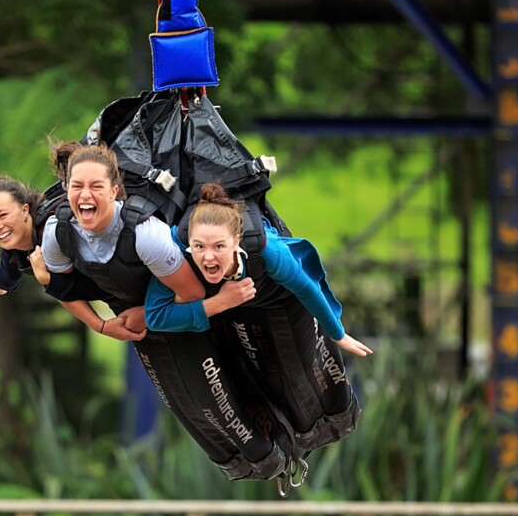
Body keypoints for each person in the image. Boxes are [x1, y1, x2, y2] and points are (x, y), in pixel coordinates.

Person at [39, 143, 294, 482]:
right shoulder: (58, 232)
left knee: (213, 394)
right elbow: (63, 289)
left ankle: (279, 455)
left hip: (178, 306)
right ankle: (254, 466)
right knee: (185, 405)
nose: (85, 195)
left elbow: (191, 292)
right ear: (66, 190)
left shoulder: (146, 235)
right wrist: (101, 325)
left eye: (96, 186)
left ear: (115, 191)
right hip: (134, 323)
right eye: (77, 186)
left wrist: (146, 313)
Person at [145, 182, 371, 451]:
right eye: (199, 247)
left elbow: (306, 286)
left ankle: (326, 424)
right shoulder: (175, 254)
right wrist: (219, 302)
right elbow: (156, 317)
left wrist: (337, 333)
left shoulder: (266, 250)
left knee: (292, 374)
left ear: (236, 241)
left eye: (219, 246)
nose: (208, 257)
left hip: (274, 298)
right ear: (188, 245)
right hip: (225, 306)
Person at [0, 172, 144, 342]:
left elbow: (65, 289)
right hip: (130, 298)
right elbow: (6, 271)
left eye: (3, 215)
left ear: (25, 210)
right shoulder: (16, 247)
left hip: (148, 288)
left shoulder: (52, 233)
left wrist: (46, 278)